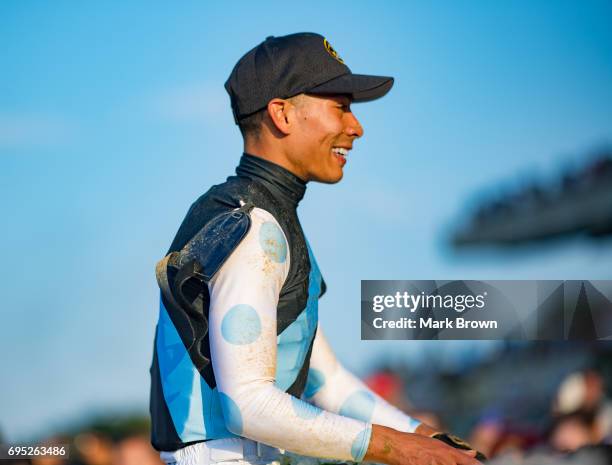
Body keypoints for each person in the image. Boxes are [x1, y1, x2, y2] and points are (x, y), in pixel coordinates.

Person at [150, 32, 484, 465]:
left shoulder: (272, 220)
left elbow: (326, 382)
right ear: (282, 114)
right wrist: (398, 448)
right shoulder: (254, 228)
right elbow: (246, 404)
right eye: (340, 107)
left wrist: (427, 437)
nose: (356, 127)